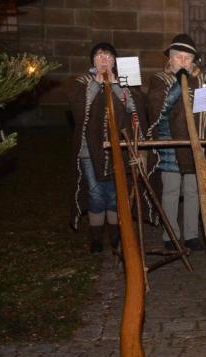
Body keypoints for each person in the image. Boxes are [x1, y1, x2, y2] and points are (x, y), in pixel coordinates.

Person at [146, 33, 206, 252]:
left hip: (193, 144)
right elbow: (159, 110)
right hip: (169, 143)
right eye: (178, 57)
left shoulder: (201, 82)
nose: (183, 61)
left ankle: (191, 235)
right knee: (171, 189)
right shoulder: (160, 80)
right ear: (170, 59)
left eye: (187, 58)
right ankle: (170, 234)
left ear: (193, 61)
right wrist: (180, 84)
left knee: (193, 190)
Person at [68, 42, 141, 253]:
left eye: (108, 56)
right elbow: (78, 110)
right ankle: (97, 237)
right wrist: (95, 85)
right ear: (92, 60)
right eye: (100, 56)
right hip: (89, 150)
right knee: (95, 192)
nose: (104, 59)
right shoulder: (82, 83)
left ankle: (116, 235)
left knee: (114, 192)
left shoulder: (123, 81)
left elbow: (132, 107)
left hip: (116, 149)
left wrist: (116, 84)